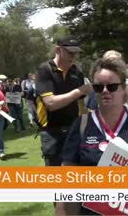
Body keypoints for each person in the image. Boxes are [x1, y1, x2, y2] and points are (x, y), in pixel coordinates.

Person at [58, 57, 128, 215]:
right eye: (98, 87)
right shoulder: (82, 125)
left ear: (123, 88)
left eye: (112, 86)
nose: (105, 91)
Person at [35, 35, 92, 166]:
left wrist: (86, 127)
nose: (73, 56)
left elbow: (81, 104)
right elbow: (51, 103)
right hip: (52, 132)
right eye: (70, 52)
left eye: (76, 53)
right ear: (58, 50)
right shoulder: (44, 70)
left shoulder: (76, 72)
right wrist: (80, 91)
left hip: (74, 130)